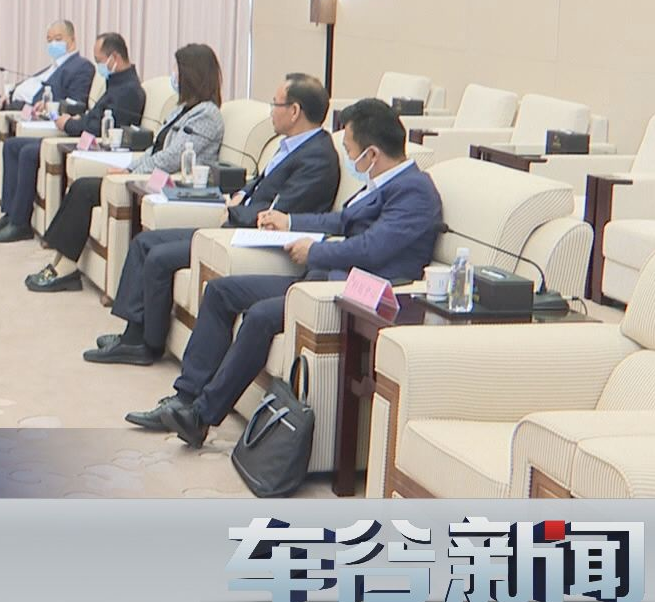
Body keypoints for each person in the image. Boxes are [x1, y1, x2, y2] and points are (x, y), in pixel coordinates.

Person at [132, 99, 442, 448]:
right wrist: (290, 222)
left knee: (261, 315)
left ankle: (201, 417)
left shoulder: (415, 192)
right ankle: (185, 397)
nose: (347, 156)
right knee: (220, 292)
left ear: (372, 154)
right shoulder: (382, 182)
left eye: (350, 150)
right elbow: (342, 220)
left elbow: (373, 248)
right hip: (320, 278)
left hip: (352, 292)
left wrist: (314, 250)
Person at [84, 73, 340, 365]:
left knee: (159, 257)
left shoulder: (317, 157)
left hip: (255, 239)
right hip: (235, 225)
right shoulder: (288, 145)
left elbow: (280, 212)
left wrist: (234, 210)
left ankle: (146, 345)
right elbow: (259, 185)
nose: (271, 111)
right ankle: (133, 334)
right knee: (145, 242)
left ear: (294, 111)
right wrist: (239, 195)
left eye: (275, 104)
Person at [17, 44, 227, 275]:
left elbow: (173, 157)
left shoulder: (207, 114)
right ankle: (59, 259)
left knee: (86, 189)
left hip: (173, 183)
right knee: (82, 186)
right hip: (151, 175)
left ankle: (65, 267)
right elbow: (154, 149)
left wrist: (131, 173)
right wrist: (129, 168)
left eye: (178, 70)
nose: (174, 76)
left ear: (192, 75)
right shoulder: (183, 109)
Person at [0, 33, 146, 241]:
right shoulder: (115, 82)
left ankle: (20, 223)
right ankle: (10, 213)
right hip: (81, 132)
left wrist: (69, 124)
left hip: (94, 144)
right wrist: (76, 118)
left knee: (28, 152)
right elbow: (95, 115)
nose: (98, 66)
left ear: (114, 58)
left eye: (99, 60)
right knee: (12, 145)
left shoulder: (129, 89)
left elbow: (102, 128)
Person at [0, 20, 92, 203]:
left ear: (72, 40)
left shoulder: (81, 66)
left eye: (58, 39)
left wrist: (50, 105)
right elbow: (33, 84)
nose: (53, 44)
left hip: (35, 113)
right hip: (19, 106)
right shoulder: (54, 65)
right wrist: (10, 93)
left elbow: (76, 102)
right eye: (49, 40)